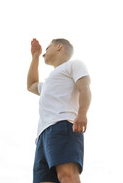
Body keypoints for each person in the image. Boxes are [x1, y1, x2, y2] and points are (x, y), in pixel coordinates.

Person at [27, 38, 91, 183]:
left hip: (62, 125)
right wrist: (35, 56)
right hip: (42, 136)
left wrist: (82, 113)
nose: (44, 53)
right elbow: (31, 85)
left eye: (47, 48)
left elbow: (84, 87)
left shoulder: (74, 65)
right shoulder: (48, 82)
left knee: (67, 176)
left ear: (59, 47)